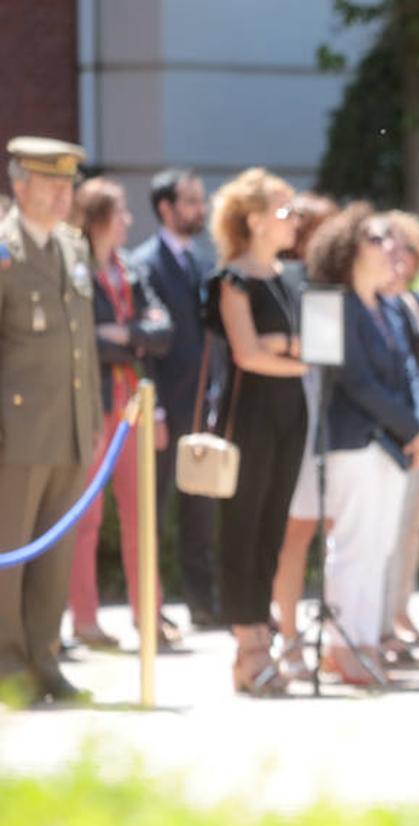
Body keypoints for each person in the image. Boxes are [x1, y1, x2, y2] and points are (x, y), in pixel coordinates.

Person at [305, 203, 419, 684]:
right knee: (354, 545)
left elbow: (409, 376)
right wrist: (413, 429)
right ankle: (342, 645)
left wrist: (418, 428)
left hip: (393, 445)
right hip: (354, 441)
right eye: (377, 239)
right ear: (349, 247)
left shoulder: (391, 307)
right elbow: (355, 382)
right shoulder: (332, 304)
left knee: (379, 547)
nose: (390, 248)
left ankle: (363, 640)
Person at [0, 136, 100, 703]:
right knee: (9, 554)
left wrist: (87, 420)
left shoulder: (73, 247)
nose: (64, 196)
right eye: (52, 184)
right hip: (17, 432)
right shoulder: (4, 250)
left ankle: (44, 659)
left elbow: (80, 343)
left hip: (66, 427)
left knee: (54, 554)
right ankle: (7, 664)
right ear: (20, 184)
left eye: (69, 186)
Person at [205, 168, 308, 696]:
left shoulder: (294, 277)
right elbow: (247, 353)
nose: (295, 220)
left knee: (272, 527)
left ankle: (258, 639)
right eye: (284, 210)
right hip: (249, 415)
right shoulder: (231, 279)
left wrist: (282, 350)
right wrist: (290, 354)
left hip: (292, 412)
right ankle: (248, 643)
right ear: (255, 220)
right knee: (243, 527)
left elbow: (308, 345)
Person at [65, 177, 176, 651]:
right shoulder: (75, 270)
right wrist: (132, 336)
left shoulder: (129, 269)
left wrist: (123, 334)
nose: (128, 221)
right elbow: (82, 339)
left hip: (135, 404)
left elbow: (163, 331)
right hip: (93, 403)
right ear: (98, 219)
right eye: (120, 212)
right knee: (84, 518)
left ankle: (147, 614)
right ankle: (85, 620)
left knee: (140, 514)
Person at [130, 168, 220, 628]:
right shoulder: (143, 262)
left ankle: (203, 603)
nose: (199, 210)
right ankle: (151, 605)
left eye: (200, 201)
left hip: (203, 406)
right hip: (165, 407)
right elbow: (147, 345)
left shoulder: (206, 261)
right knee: (154, 511)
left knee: (200, 512)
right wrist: (158, 409)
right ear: (165, 208)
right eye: (190, 201)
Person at [270, 192, 339, 678]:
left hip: (336, 417)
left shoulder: (332, 286)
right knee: (297, 531)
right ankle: (288, 634)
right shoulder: (290, 282)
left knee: (335, 529)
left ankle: (338, 640)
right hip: (301, 414)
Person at [380, 209, 419, 657]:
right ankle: (379, 625)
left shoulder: (409, 304)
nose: (401, 255)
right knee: (387, 528)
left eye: (407, 246)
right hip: (390, 431)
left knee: (412, 528)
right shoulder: (373, 305)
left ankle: (398, 612)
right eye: (391, 245)